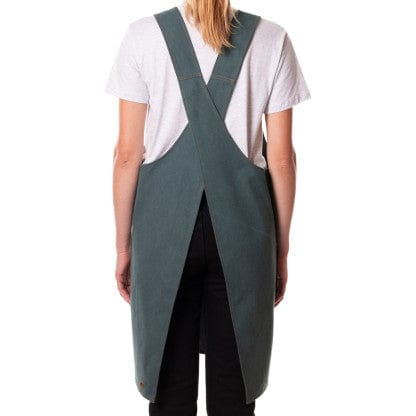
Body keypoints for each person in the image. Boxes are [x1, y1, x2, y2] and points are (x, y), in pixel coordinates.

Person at [105, 0, 311, 414]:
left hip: (162, 231)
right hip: (244, 230)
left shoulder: (142, 37)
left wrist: (123, 246)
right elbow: (282, 159)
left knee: (168, 388)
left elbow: (127, 155)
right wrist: (281, 249)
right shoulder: (273, 40)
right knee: (235, 391)